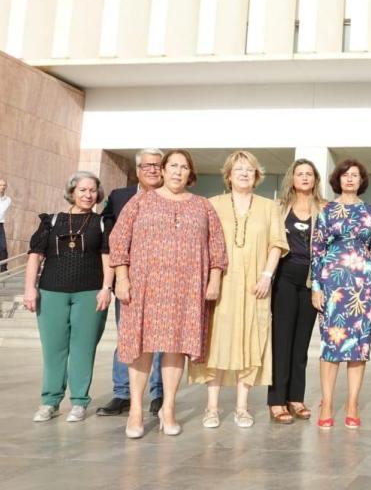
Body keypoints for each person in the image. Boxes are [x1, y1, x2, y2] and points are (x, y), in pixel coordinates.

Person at [110, 149, 227, 439]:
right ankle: (136, 411)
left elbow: (217, 248)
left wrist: (214, 281)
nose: (177, 171)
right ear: (162, 170)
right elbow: (119, 241)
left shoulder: (203, 206)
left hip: (186, 289)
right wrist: (121, 278)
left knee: (176, 347)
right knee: (141, 347)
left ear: (190, 174)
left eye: (183, 167)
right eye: (173, 166)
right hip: (144, 287)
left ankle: (169, 408)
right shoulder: (141, 201)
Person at [189, 151, 288, 429]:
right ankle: (211, 407)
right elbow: (202, 244)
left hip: (256, 286)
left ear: (257, 176)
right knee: (216, 343)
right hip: (220, 285)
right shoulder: (212, 204)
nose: (244, 173)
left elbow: (277, 244)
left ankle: (242, 408)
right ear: (229, 175)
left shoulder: (270, 207)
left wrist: (267, 275)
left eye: (249, 169)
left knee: (250, 342)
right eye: (238, 169)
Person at [22, 171, 112, 423]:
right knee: (53, 349)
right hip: (52, 291)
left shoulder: (102, 223)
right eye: (82, 190)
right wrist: (30, 288)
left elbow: (108, 257)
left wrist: (107, 288)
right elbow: (35, 256)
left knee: (83, 348)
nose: (88, 195)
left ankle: (79, 402)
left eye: (92, 190)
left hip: (90, 293)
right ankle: (49, 402)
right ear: (71, 192)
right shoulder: (52, 221)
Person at [310, 159, 371, 429]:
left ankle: (352, 403)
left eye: (355, 175)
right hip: (333, 285)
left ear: (361, 181)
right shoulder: (326, 210)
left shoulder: (370, 212)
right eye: (345, 175)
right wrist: (316, 287)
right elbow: (317, 250)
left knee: (359, 346)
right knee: (331, 345)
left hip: (363, 287)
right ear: (337, 179)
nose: (350, 179)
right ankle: (327, 403)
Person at [96, 148, 165, 418]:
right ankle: (122, 394)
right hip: (128, 279)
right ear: (137, 170)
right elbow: (110, 240)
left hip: (163, 281)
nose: (153, 170)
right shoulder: (120, 197)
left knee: (160, 338)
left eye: (157, 165)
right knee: (127, 337)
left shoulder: (171, 197)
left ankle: (158, 394)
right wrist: (113, 280)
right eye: (147, 165)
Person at [268, 159, 325, 424]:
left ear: (315, 179)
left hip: (311, 280)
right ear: (292, 178)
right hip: (284, 278)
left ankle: (295, 398)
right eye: (299, 173)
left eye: (309, 174)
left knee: (301, 343)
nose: (304, 177)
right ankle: (277, 400)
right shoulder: (279, 207)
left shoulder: (324, 208)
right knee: (281, 341)